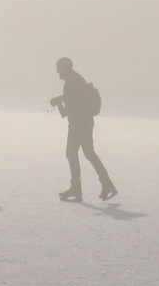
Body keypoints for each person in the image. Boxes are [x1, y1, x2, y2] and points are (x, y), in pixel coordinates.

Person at [50, 57, 117, 202]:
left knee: (72, 153)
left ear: (66, 67)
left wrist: (58, 102)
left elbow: (69, 109)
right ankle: (107, 185)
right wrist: (60, 102)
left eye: (59, 68)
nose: (57, 71)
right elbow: (71, 105)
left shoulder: (72, 82)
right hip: (84, 122)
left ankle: (77, 189)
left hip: (78, 124)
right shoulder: (76, 80)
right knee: (89, 153)